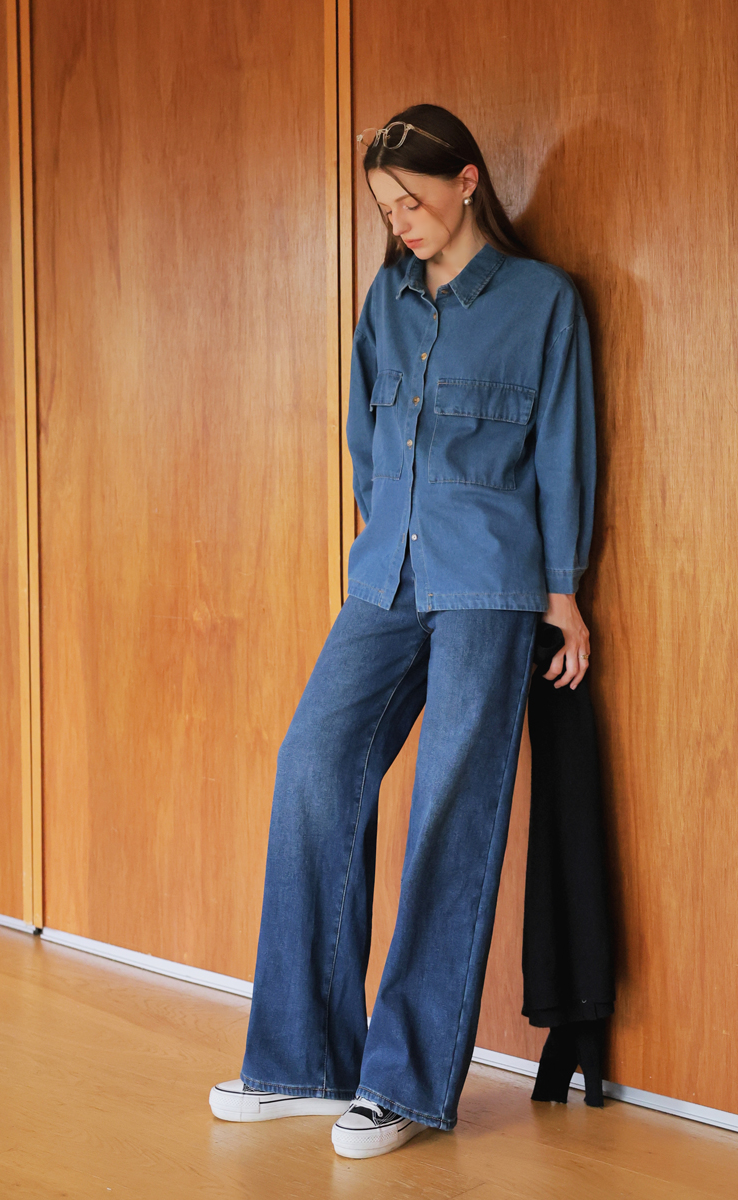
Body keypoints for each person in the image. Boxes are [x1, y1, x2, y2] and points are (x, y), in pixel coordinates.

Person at [209, 103, 596, 1160]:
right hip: (386, 576)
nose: (401, 222)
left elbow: (563, 450)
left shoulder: (543, 302)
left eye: (412, 201)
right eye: (386, 209)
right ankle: (302, 1060)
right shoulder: (387, 299)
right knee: (313, 765)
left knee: (449, 813)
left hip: (491, 586)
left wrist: (562, 591)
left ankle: (405, 1087)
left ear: (467, 182)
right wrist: (384, 530)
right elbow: (363, 435)